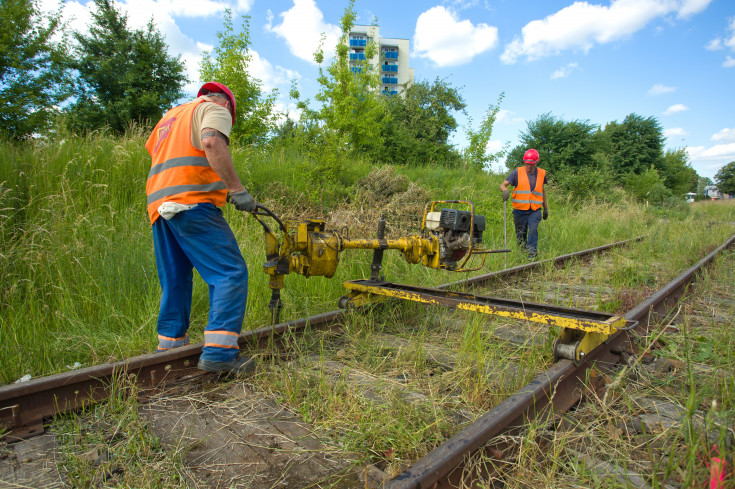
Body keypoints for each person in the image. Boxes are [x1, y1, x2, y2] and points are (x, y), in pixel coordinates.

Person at [145, 81, 257, 374]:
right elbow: (210, 142)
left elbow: (161, 156)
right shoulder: (214, 109)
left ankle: (170, 350)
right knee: (229, 273)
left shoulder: (170, 119)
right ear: (227, 105)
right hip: (193, 203)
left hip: (159, 206)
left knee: (175, 279)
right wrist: (236, 189)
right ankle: (220, 356)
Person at [499, 148, 548, 259]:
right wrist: (505, 191)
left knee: (533, 230)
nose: (529, 166)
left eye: (531, 164)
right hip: (519, 211)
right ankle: (522, 254)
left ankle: (532, 256)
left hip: (535, 210)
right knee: (521, 234)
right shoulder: (517, 172)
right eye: (527, 164)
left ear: (536, 162)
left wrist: (545, 208)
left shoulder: (541, 173)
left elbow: (542, 190)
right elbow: (502, 185)